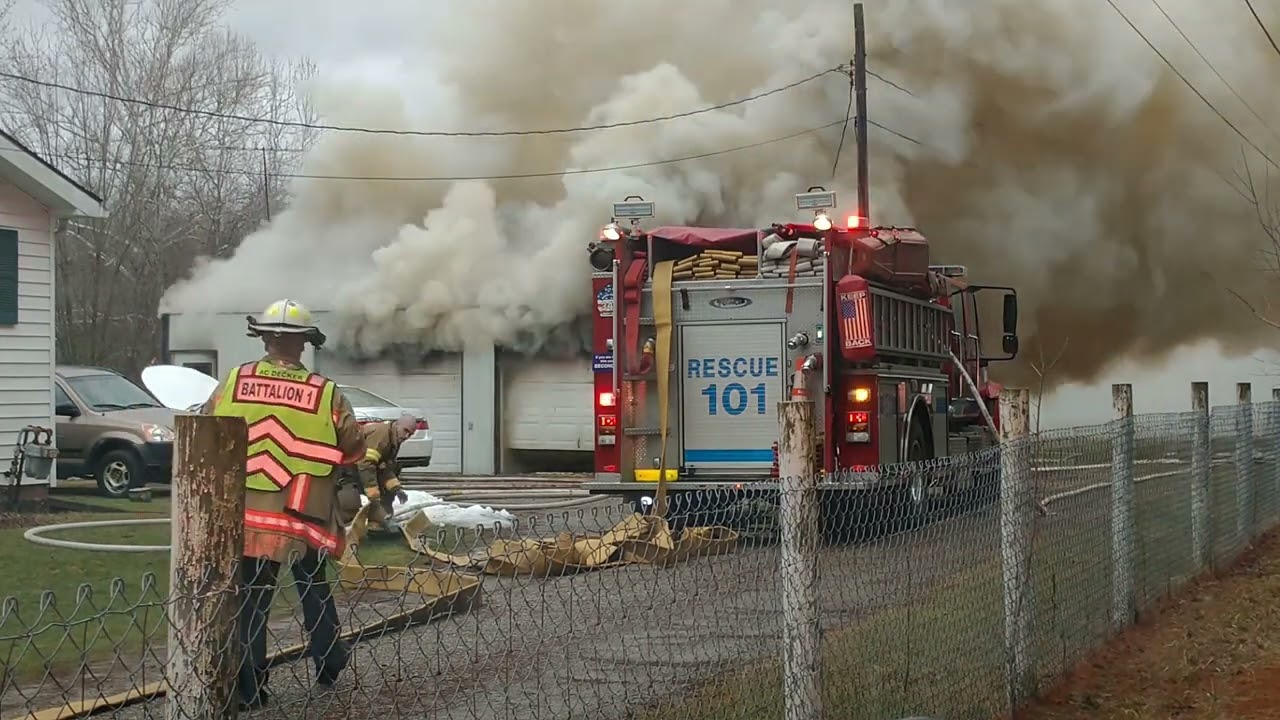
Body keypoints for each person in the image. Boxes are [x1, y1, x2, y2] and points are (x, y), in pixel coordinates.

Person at [202, 298, 366, 710]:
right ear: (304, 343)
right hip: (303, 511)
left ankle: (251, 689)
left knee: (253, 600)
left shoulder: (233, 382)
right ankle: (329, 664)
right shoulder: (326, 393)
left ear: (264, 339)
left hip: (249, 511)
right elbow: (352, 448)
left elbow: (206, 427)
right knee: (313, 585)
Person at [358, 414, 415, 531]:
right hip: (347, 469)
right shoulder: (381, 435)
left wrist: (396, 489)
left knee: (388, 490)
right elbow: (365, 465)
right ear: (397, 424)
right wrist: (374, 496)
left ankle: (378, 522)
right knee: (348, 500)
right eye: (405, 430)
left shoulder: (394, 439)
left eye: (410, 434)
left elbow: (384, 467)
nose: (406, 436)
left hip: (362, 469)